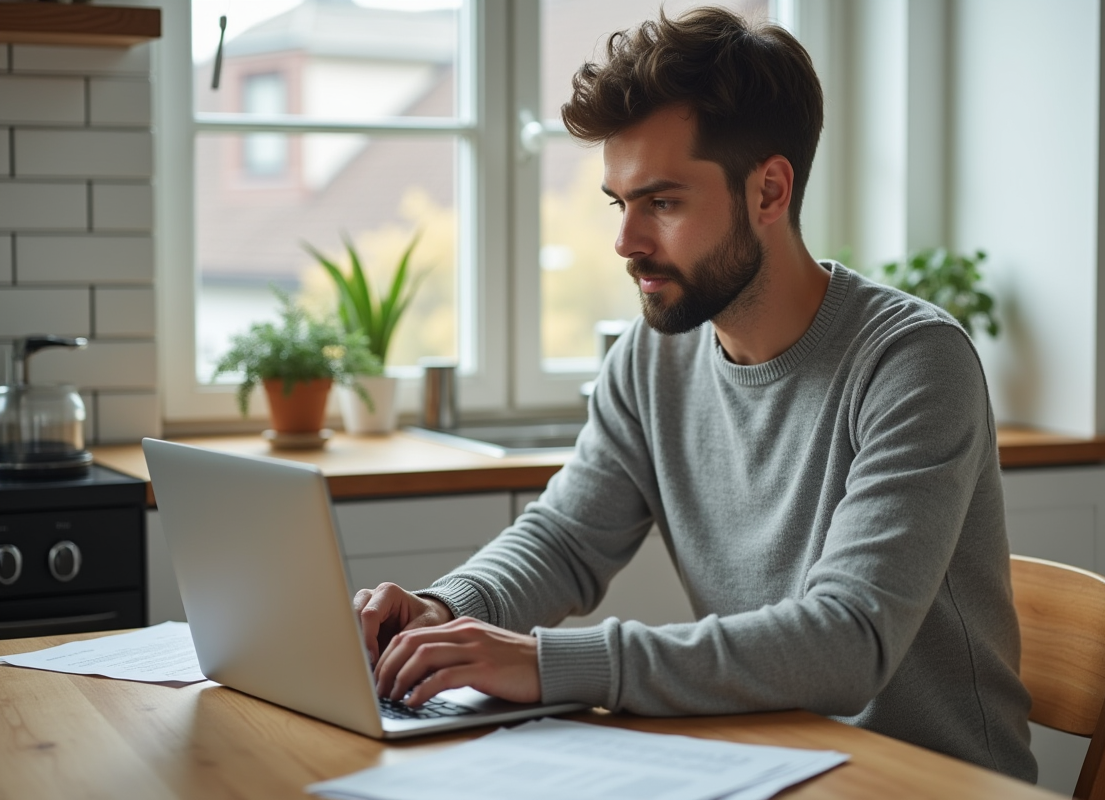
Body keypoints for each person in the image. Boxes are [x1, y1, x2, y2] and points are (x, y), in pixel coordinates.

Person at [354, 6, 1036, 781]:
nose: (625, 241)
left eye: (664, 202)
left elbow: (849, 641)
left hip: (927, 783)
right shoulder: (654, 358)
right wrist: (446, 610)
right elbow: (566, 540)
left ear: (769, 191)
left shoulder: (913, 361)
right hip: (766, 764)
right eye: (620, 202)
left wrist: (545, 663)